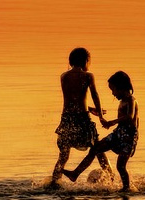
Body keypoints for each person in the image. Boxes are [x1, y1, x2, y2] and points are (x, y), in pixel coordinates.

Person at [63, 71, 139, 192]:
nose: (113, 94)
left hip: (128, 137)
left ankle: (126, 188)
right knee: (95, 148)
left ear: (121, 87)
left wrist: (111, 122)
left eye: (113, 90)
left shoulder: (131, 100)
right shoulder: (122, 100)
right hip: (118, 133)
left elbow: (130, 117)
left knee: (120, 166)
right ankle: (75, 173)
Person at [50, 47, 114, 188]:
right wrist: (101, 116)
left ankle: (54, 183)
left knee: (63, 155)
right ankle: (111, 178)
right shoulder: (88, 76)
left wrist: (90, 109)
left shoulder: (64, 76)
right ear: (86, 61)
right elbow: (95, 95)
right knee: (98, 149)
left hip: (67, 119)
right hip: (82, 119)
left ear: (71, 61)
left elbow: (73, 98)